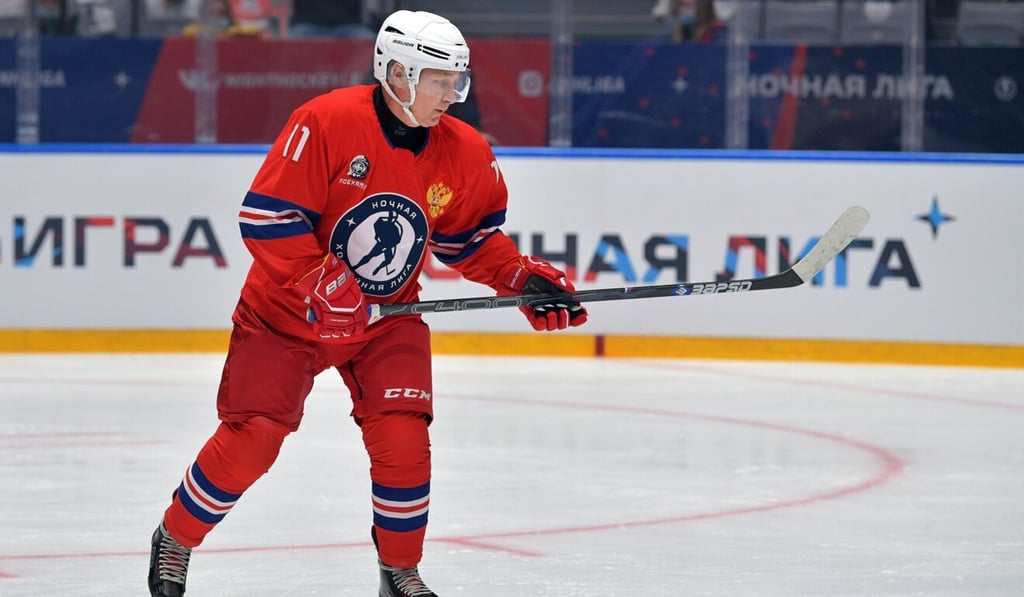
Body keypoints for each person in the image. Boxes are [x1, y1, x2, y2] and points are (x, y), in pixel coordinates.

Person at [147, 8, 588, 597]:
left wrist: (518, 278)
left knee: (404, 439)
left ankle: (399, 571)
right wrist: (320, 279)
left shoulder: (464, 148)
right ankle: (175, 537)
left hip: (388, 318)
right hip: (285, 314)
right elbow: (267, 216)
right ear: (398, 73)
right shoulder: (326, 121)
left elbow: (471, 239)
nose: (452, 95)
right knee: (253, 438)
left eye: (458, 81)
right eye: (440, 81)